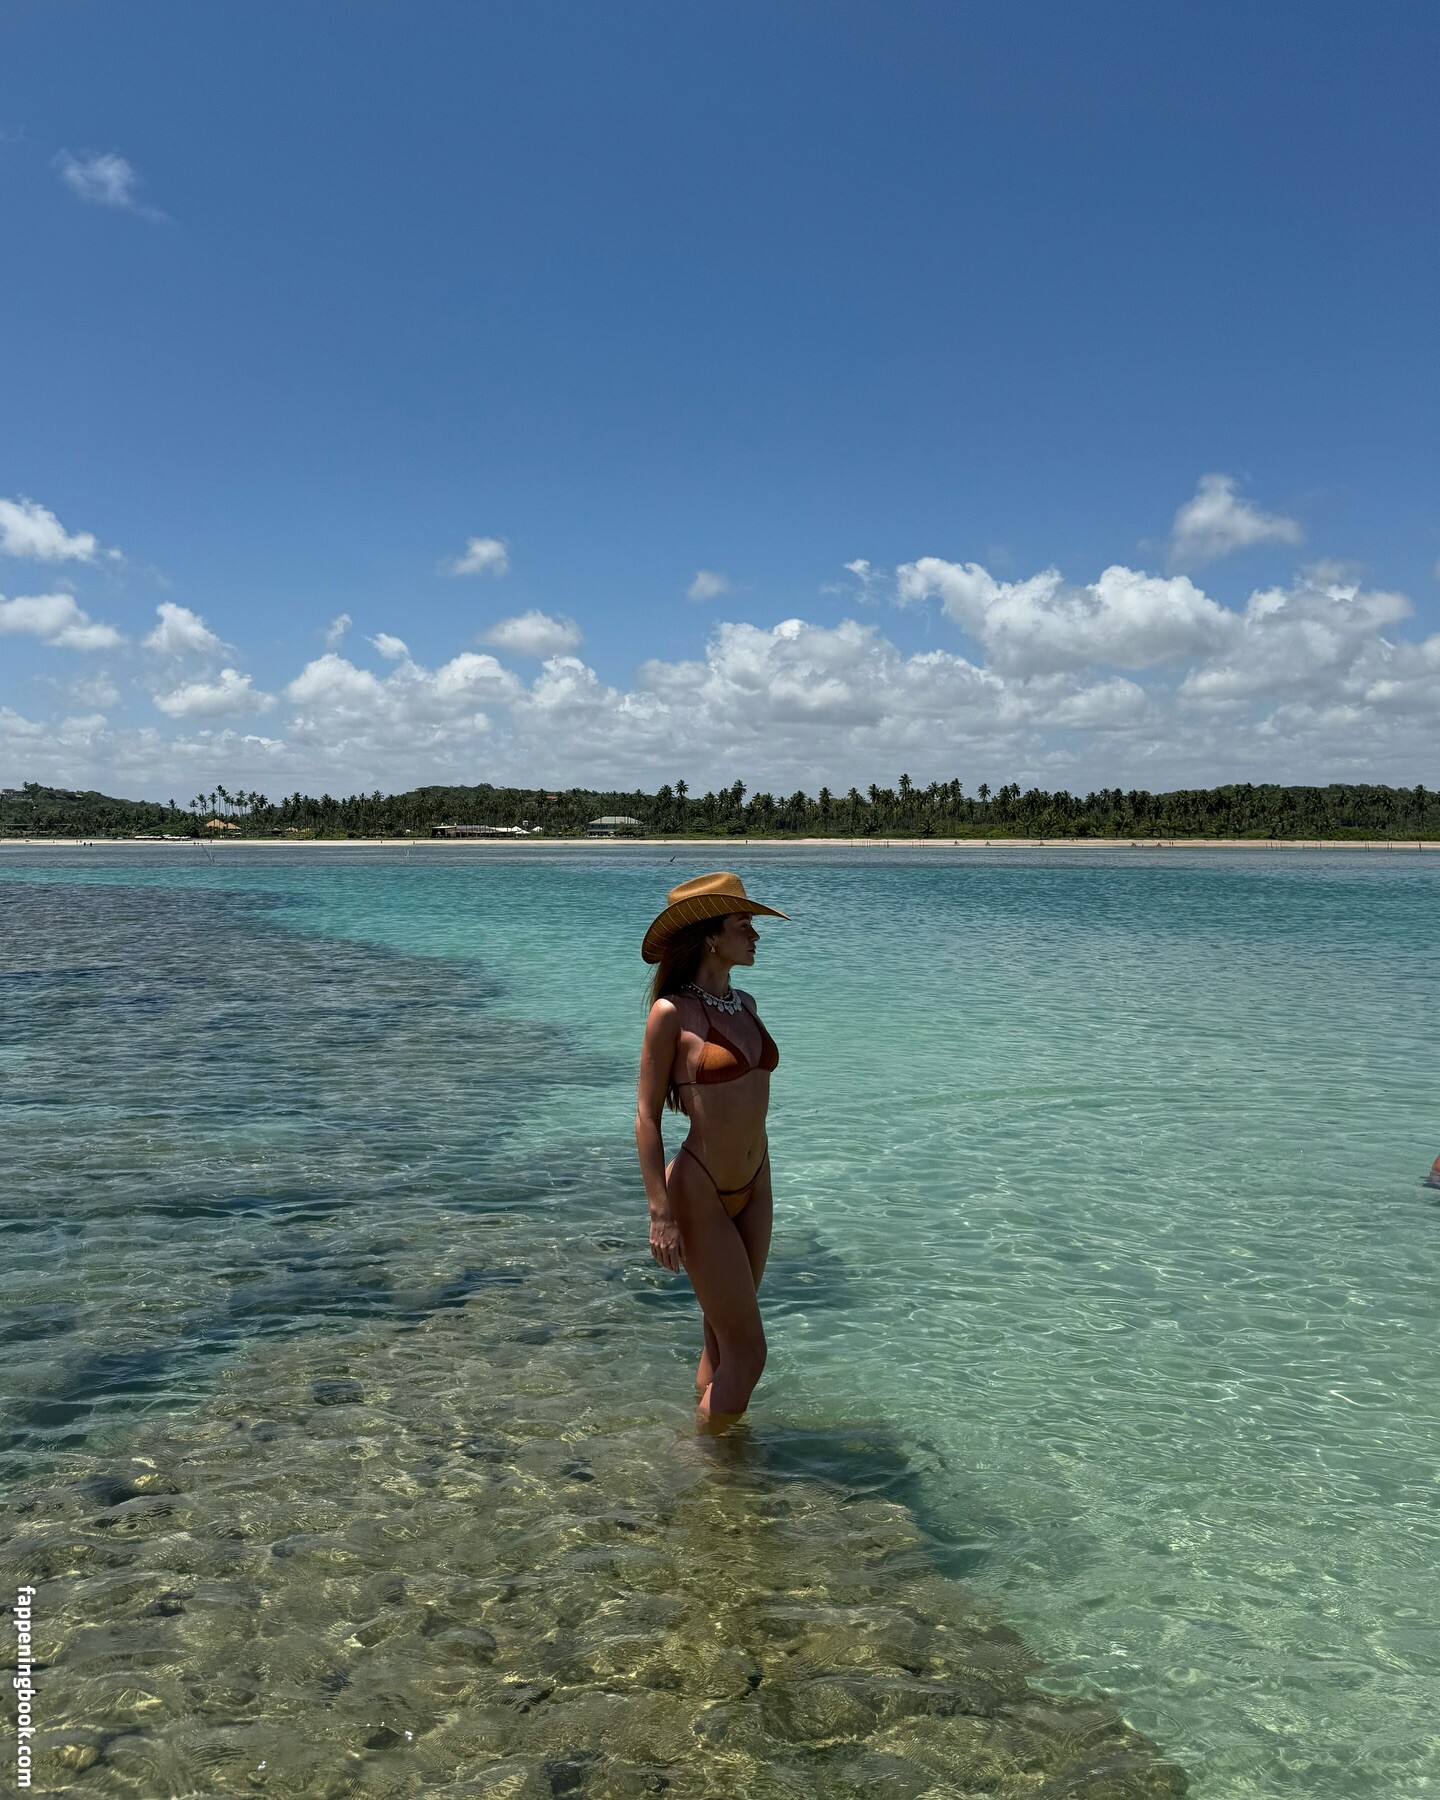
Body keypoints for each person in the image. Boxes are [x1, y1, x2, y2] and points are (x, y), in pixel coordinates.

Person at [635, 872, 788, 1426]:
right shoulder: (670, 1013)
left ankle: (715, 1447)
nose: (755, 935)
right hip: (700, 1189)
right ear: (709, 936)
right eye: (743, 924)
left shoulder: (745, 1003)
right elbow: (646, 1117)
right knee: (750, 1353)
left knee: (724, 1339)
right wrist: (661, 1214)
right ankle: (704, 1460)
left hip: (756, 1183)